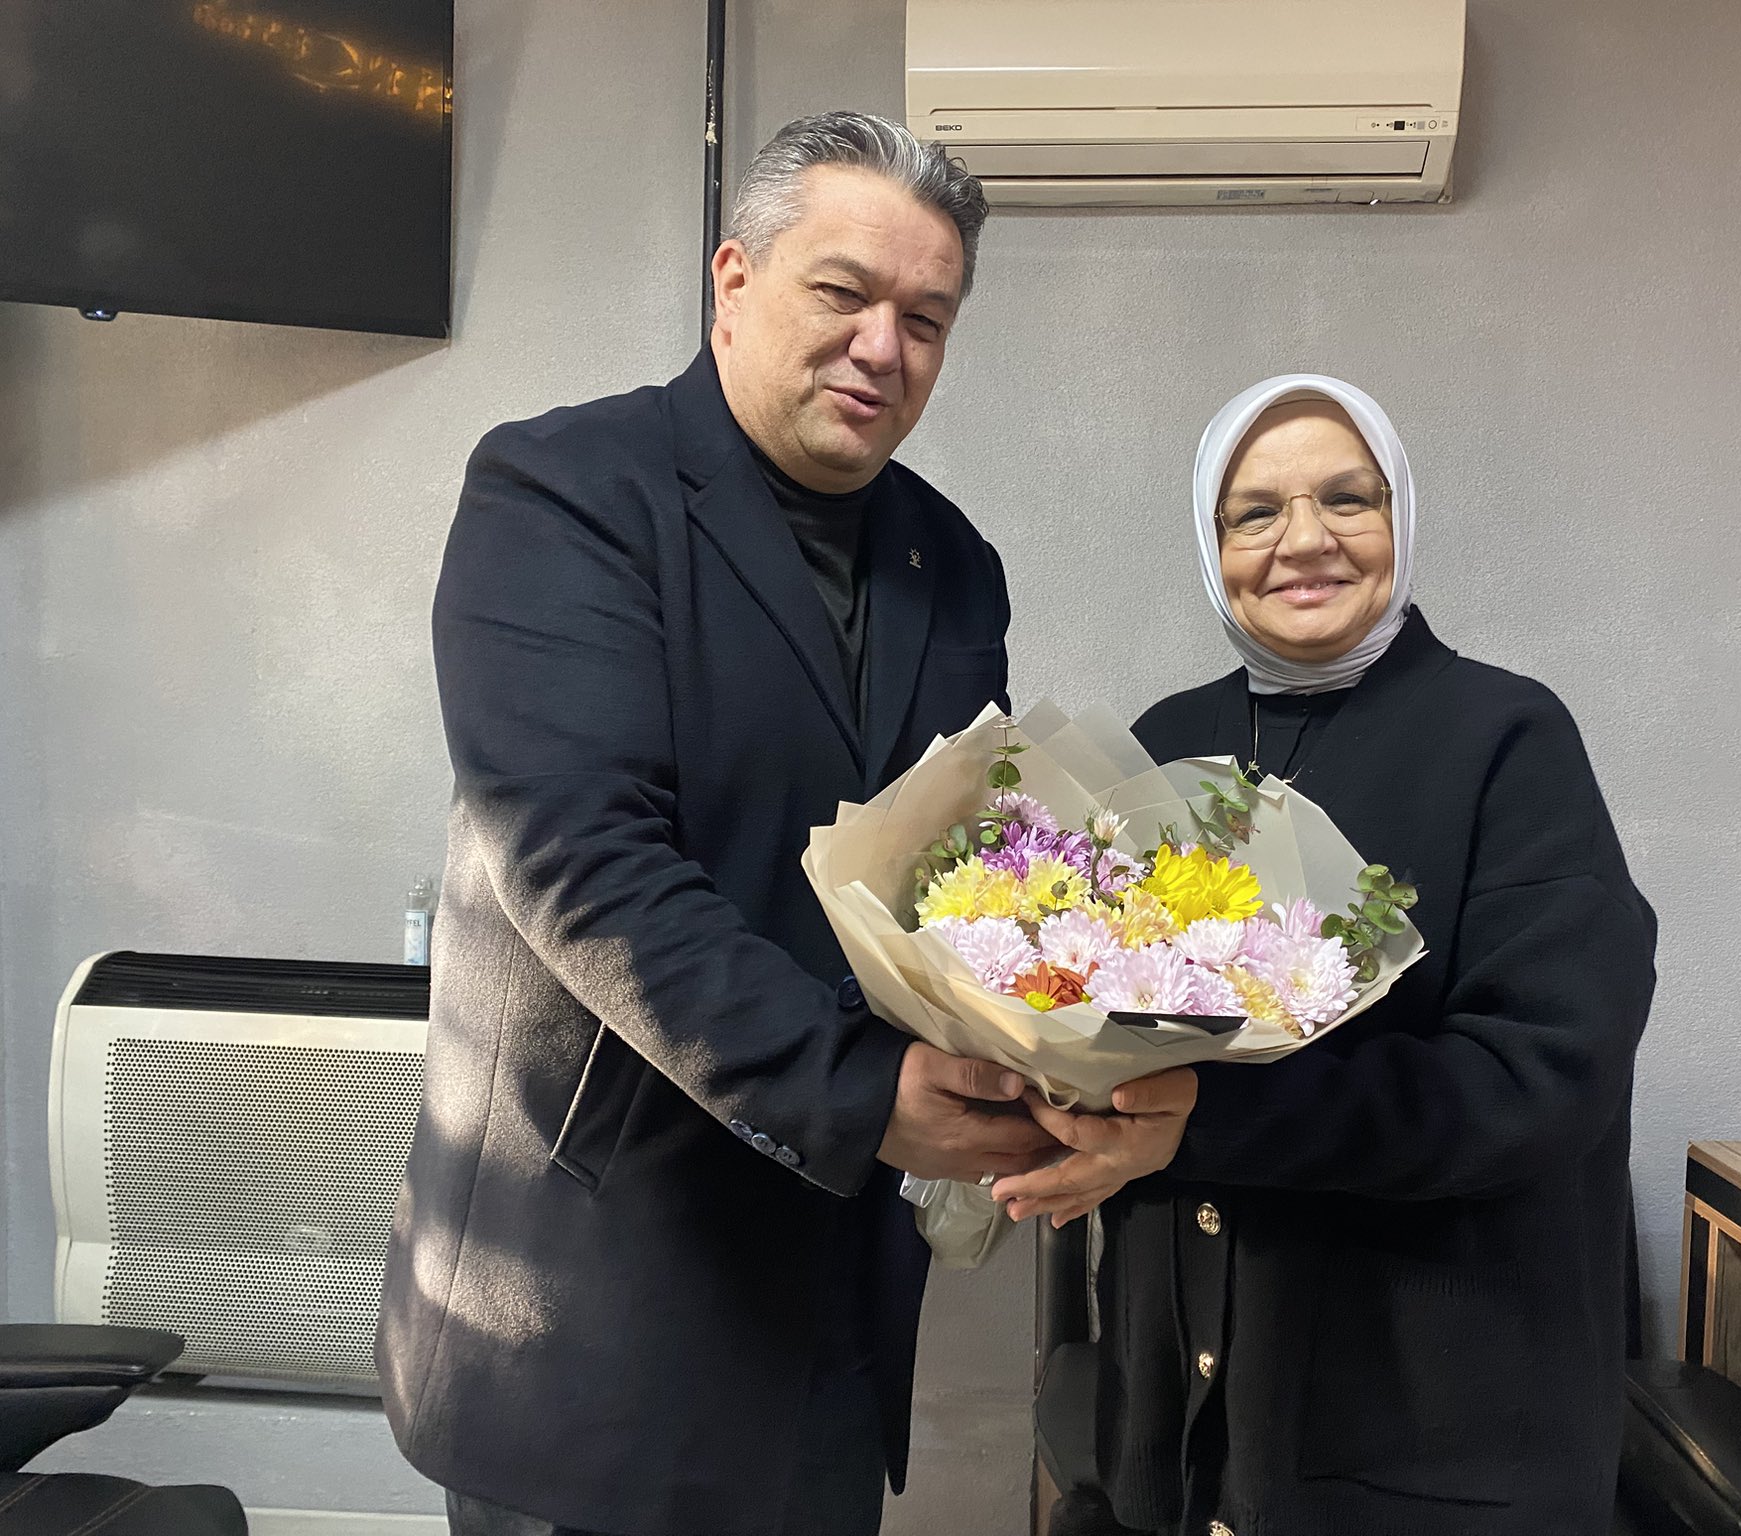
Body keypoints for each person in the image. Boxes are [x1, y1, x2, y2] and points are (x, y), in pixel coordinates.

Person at [377, 112, 1061, 1536]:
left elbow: (957, 881)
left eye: (926, 320)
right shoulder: (566, 493)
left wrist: (1062, 1049)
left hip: (829, 1305)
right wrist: (862, 1090)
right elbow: (585, 864)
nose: (882, 346)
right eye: (843, 292)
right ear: (734, 281)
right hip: (592, 1295)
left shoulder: (954, 566)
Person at [996, 374, 1658, 1534]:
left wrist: (1205, 1114)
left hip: (1423, 1440)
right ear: (1211, 543)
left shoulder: (1505, 741)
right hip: (1180, 1432)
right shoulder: (1166, 745)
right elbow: (1100, 1014)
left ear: (1398, 514)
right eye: (1254, 512)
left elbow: (1544, 1077)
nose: (1303, 540)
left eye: (1347, 500)